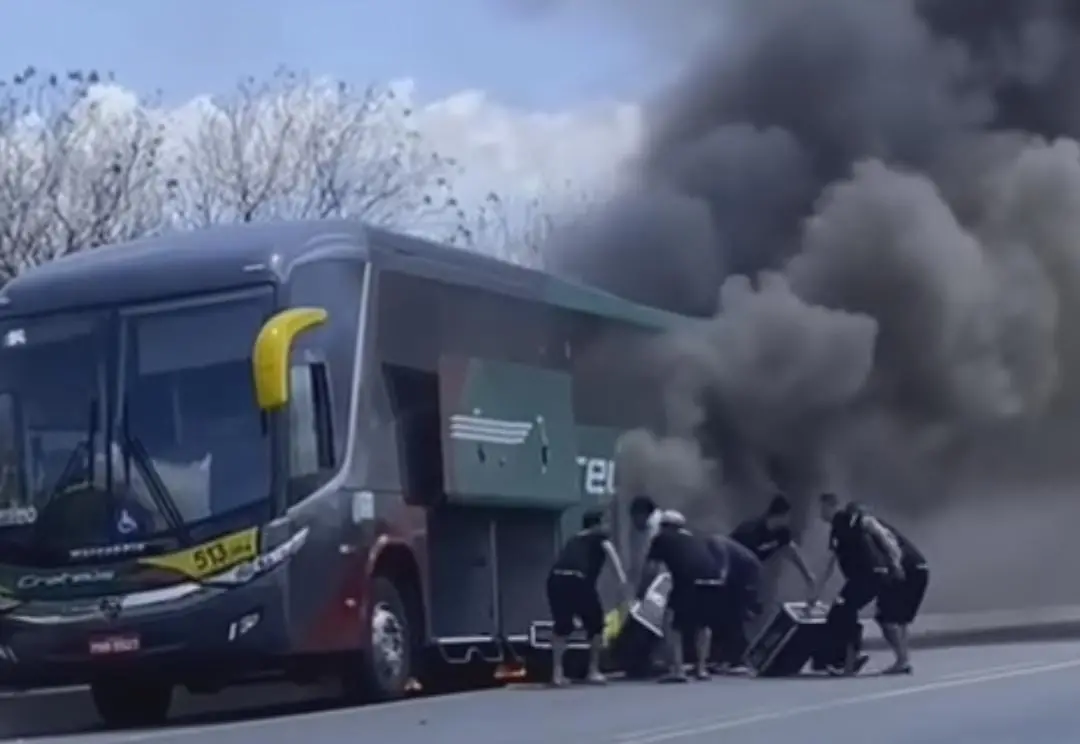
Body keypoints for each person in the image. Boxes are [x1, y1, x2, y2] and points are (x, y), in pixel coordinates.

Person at [810, 493, 928, 675]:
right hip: (877, 575)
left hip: (869, 575)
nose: (819, 514)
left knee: (843, 611)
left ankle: (852, 659)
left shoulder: (848, 519)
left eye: (821, 508)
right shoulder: (841, 528)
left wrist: (896, 563)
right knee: (880, 616)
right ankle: (899, 658)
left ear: (829, 506)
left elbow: (829, 563)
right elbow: (831, 562)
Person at [546, 509, 631, 687]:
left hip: (555, 578)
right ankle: (593, 671)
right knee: (596, 625)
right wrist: (622, 582)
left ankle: (557, 673)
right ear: (596, 525)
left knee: (562, 626)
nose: (608, 527)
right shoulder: (599, 538)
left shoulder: (574, 539)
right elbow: (612, 556)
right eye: (605, 523)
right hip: (577, 579)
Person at [645, 510, 723, 682]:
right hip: (712, 580)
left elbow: (651, 569)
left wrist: (641, 592)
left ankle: (678, 669)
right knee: (703, 624)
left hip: (688, 580)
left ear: (664, 526)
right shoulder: (693, 537)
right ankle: (702, 668)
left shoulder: (662, 538)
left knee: (671, 623)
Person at [730, 493, 816, 592]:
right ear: (781, 515)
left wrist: (807, 575)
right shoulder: (751, 530)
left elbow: (790, 551)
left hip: (750, 577)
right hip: (734, 571)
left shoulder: (782, 532)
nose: (790, 519)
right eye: (788, 515)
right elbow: (733, 554)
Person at [705, 533, 763, 672]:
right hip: (743, 573)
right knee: (730, 615)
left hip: (747, 573)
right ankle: (729, 657)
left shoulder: (715, 543)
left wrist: (717, 582)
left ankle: (738, 658)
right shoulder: (717, 542)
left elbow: (723, 568)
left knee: (734, 615)